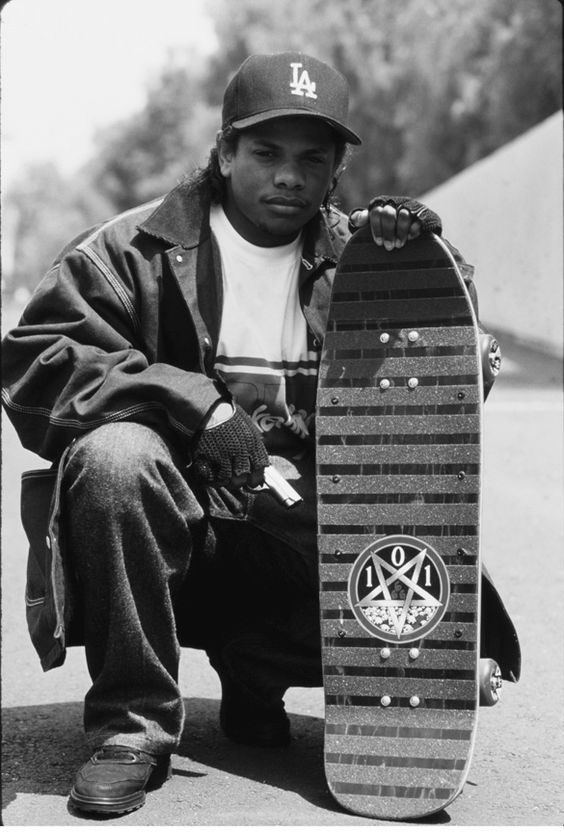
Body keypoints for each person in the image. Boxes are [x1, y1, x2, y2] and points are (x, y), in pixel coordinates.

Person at [1, 51, 520, 817]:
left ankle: (255, 672)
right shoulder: (133, 251)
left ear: (337, 170)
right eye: (266, 153)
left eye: (313, 159)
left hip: (296, 539)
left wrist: (429, 266)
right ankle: (131, 728)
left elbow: (444, 391)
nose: (288, 177)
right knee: (113, 459)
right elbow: (36, 362)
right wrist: (194, 406)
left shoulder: (361, 263)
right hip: (178, 539)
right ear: (224, 152)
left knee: (397, 577)